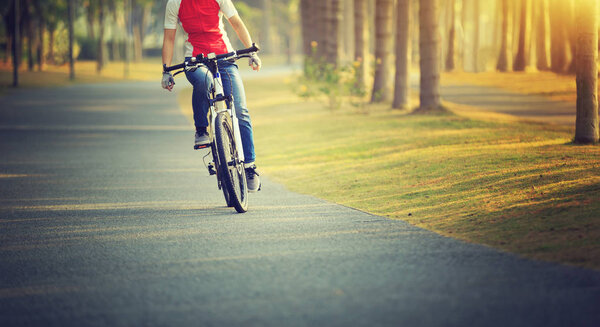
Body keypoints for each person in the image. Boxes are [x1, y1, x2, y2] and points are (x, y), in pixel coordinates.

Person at [161, 0, 261, 192]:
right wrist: (166, 70)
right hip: (195, 61)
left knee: (240, 110)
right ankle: (201, 130)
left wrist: (251, 51)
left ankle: (250, 166)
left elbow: (236, 23)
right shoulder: (175, 3)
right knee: (204, 80)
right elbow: (169, 38)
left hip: (224, 57)